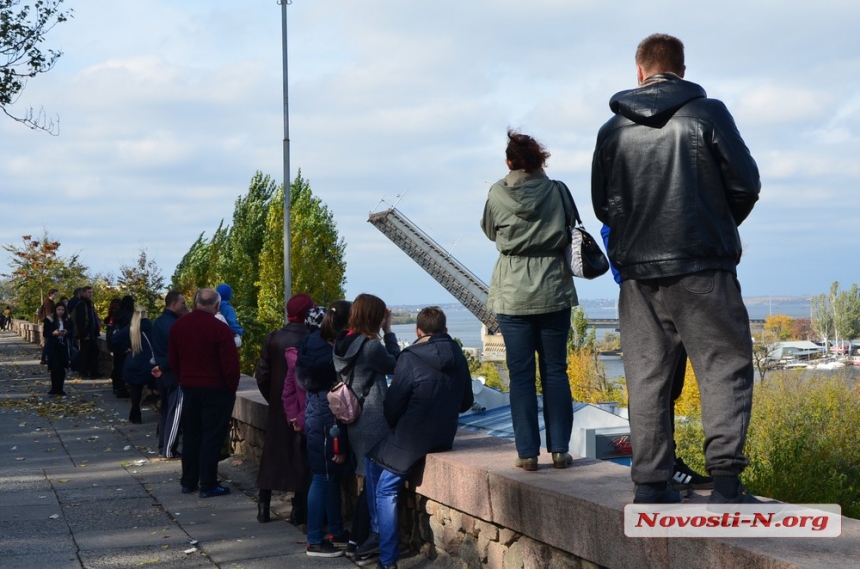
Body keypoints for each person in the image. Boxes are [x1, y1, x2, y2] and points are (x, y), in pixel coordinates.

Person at [591, 34, 760, 504]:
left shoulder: (611, 130)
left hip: (639, 274)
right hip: (704, 265)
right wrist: (709, 224)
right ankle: (725, 483)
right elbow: (746, 184)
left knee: (647, 375)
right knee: (723, 367)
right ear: (681, 70)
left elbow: (605, 205)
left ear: (640, 72)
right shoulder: (708, 114)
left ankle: (651, 484)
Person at [480, 129, 578, 471]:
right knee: (556, 371)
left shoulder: (495, 193)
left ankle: (526, 453)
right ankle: (561, 449)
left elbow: (490, 231)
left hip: (512, 293)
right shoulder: (558, 191)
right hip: (553, 288)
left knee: (520, 375)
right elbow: (570, 227)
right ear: (541, 161)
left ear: (509, 162)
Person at [600, 225, 713, 492]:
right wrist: (626, 277)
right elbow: (610, 224)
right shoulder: (628, 183)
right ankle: (659, 471)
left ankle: (666, 466)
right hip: (652, 284)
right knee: (651, 386)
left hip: (676, 281)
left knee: (669, 386)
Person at [363, 306, 474, 569]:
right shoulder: (458, 354)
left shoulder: (409, 356)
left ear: (417, 331)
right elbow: (466, 402)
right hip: (444, 435)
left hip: (411, 438)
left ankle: (386, 555)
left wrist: (397, 427)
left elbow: (393, 405)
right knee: (374, 461)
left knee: (384, 487)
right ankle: (379, 535)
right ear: (445, 331)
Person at [333, 293, 400, 563]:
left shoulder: (341, 342)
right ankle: (370, 539)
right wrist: (389, 331)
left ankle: (362, 540)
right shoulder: (371, 347)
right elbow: (396, 363)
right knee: (376, 484)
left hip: (354, 420)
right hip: (374, 418)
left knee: (368, 481)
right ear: (375, 317)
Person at [168, 288, 241, 498]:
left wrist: (183, 379)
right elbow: (230, 365)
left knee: (191, 435)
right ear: (217, 306)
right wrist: (230, 388)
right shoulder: (220, 329)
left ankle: (188, 480)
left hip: (189, 387)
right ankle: (208, 483)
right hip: (216, 389)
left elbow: (174, 359)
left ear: (196, 302)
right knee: (212, 436)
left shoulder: (178, 326)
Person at [295, 301, 352, 558]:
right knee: (323, 476)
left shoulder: (311, 342)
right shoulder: (333, 351)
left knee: (330, 475)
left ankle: (336, 531)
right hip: (327, 418)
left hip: (315, 411)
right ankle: (315, 540)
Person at [253, 293, 314, 523]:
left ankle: (263, 504)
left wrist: (273, 399)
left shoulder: (273, 338)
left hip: (278, 404)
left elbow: (262, 375)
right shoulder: (310, 339)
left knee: (272, 454)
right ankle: (297, 509)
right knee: (300, 457)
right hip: (303, 407)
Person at [151, 291, 188, 459]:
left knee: (166, 409)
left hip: (162, 371)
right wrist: (165, 367)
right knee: (175, 412)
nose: (184, 306)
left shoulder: (158, 322)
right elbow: (176, 352)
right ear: (173, 304)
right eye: (182, 303)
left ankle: (163, 446)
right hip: (172, 372)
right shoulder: (176, 325)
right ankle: (169, 449)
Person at [112, 306, 155, 424]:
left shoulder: (131, 328)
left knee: (135, 388)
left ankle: (135, 412)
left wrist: (125, 348)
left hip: (132, 361)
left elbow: (115, 338)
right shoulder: (150, 327)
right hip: (147, 363)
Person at [43, 303, 74, 395]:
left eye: (62, 310)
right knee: (54, 367)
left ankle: (60, 388)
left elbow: (73, 331)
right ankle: (54, 388)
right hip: (53, 346)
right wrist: (53, 333)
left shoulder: (68, 319)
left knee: (62, 367)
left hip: (64, 345)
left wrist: (66, 332)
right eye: (59, 310)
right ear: (55, 310)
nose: (60, 312)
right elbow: (45, 333)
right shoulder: (50, 319)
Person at [108, 295, 135, 398]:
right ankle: (122, 389)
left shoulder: (116, 315)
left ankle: (116, 387)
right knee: (124, 368)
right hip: (126, 345)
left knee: (117, 366)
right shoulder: (129, 316)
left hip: (116, 344)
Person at [73, 286, 102, 378]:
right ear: (83, 293)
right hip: (86, 334)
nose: (91, 294)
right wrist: (84, 333)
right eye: (89, 292)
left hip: (92, 333)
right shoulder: (82, 304)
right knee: (85, 353)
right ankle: (83, 372)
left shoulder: (90, 303)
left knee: (93, 353)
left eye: (91, 292)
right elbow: (80, 320)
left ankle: (93, 372)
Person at [38, 289, 58, 364]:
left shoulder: (49, 302)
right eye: (55, 294)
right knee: (48, 342)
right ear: (51, 294)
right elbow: (49, 314)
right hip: (49, 324)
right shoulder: (48, 303)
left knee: (48, 342)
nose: (56, 296)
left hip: (48, 322)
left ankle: (45, 358)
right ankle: (44, 358)